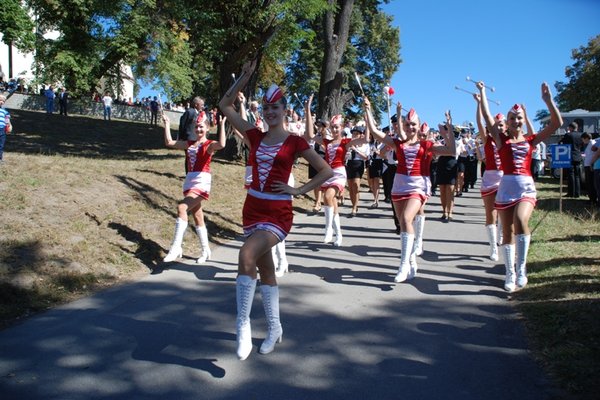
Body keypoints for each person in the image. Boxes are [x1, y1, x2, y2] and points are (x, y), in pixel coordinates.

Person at [219, 60, 332, 361]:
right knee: (266, 269)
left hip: (278, 213)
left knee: (245, 255)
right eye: (266, 109)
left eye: (275, 108)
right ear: (262, 112)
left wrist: (298, 191)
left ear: (284, 111)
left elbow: (325, 170)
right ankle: (275, 328)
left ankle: (242, 324)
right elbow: (225, 104)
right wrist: (243, 76)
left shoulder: (295, 141)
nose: (270, 113)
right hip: (252, 207)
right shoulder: (254, 134)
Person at [478, 81, 562, 292]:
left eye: (519, 118)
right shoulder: (501, 140)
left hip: (525, 187)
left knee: (521, 219)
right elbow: (488, 119)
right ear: (507, 122)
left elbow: (556, 123)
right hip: (506, 187)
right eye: (512, 118)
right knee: (507, 232)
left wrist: (548, 101)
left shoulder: (531, 140)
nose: (516, 121)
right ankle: (509, 272)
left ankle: (521, 267)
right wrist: (482, 93)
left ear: (524, 121)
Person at [364, 98, 456, 283]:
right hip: (399, 184)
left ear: (418, 125)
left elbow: (451, 150)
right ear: (403, 126)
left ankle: (403, 263)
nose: (410, 127)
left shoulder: (427, 145)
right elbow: (374, 132)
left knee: (406, 218)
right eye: (407, 124)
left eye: (413, 124)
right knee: (402, 222)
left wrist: (449, 128)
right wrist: (368, 109)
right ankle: (412, 259)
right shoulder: (398, 143)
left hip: (419, 185)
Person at [161, 110, 226, 264]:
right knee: (197, 216)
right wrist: (167, 124)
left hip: (202, 182)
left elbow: (222, 144)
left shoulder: (209, 145)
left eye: (202, 127)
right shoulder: (189, 143)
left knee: (182, 208)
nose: (198, 130)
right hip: (189, 181)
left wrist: (222, 125)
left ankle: (176, 247)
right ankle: (206, 250)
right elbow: (169, 142)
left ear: (208, 128)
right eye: (197, 127)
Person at [304, 95, 367, 247]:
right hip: (327, 172)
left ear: (342, 127)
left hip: (339, 173)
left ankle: (327, 229)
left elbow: (366, 140)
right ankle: (338, 234)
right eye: (332, 127)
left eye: (337, 127)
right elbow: (310, 135)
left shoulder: (346, 142)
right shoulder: (326, 141)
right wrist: (307, 109)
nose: (334, 129)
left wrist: (367, 113)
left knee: (328, 196)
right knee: (333, 204)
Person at [472, 94, 503, 261]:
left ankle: (501, 238)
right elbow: (479, 122)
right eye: (496, 125)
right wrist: (478, 104)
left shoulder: (508, 140)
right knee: (491, 214)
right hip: (490, 177)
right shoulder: (487, 139)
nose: (498, 128)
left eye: (501, 125)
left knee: (504, 212)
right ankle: (493, 248)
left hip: (506, 178)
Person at [345, 126, 369, 216]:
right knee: (350, 186)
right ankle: (353, 205)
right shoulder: (349, 143)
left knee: (356, 185)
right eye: (353, 133)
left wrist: (356, 150)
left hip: (359, 164)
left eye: (356, 133)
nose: (354, 135)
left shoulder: (365, 145)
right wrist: (347, 153)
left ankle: (354, 207)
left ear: (361, 135)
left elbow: (365, 157)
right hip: (349, 163)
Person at [559, 122, 583, 198]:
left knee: (571, 175)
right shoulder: (581, 135)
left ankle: (571, 192)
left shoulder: (568, 135)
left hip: (570, 156)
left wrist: (566, 133)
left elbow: (560, 142)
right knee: (577, 175)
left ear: (571, 128)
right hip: (578, 156)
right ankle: (577, 193)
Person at [582, 132, 598, 206]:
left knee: (591, 183)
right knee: (589, 183)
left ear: (587, 138)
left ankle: (593, 199)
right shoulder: (589, 144)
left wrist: (592, 164)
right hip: (588, 165)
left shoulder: (593, 143)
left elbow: (595, 154)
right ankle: (591, 198)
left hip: (590, 165)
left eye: (583, 139)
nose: (583, 141)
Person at [0, 94, 12, 164]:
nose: (1, 102)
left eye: (3, 101)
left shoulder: (5, 111)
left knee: (1, 145)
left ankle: (0, 158)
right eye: (0, 100)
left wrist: (8, 126)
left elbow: (7, 120)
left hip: (2, 130)